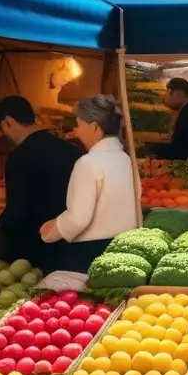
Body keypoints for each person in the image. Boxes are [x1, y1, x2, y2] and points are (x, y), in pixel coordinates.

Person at [39, 96, 138, 272]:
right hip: (125, 247)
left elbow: (78, 218)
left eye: (79, 125)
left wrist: (52, 229)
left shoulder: (88, 163)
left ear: (94, 127)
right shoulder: (126, 159)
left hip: (92, 254)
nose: (76, 132)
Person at [0, 96, 82, 272]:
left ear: (8, 122)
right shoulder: (71, 150)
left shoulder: (19, 157)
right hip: (71, 247)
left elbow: (17, 209)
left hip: (34, 252)